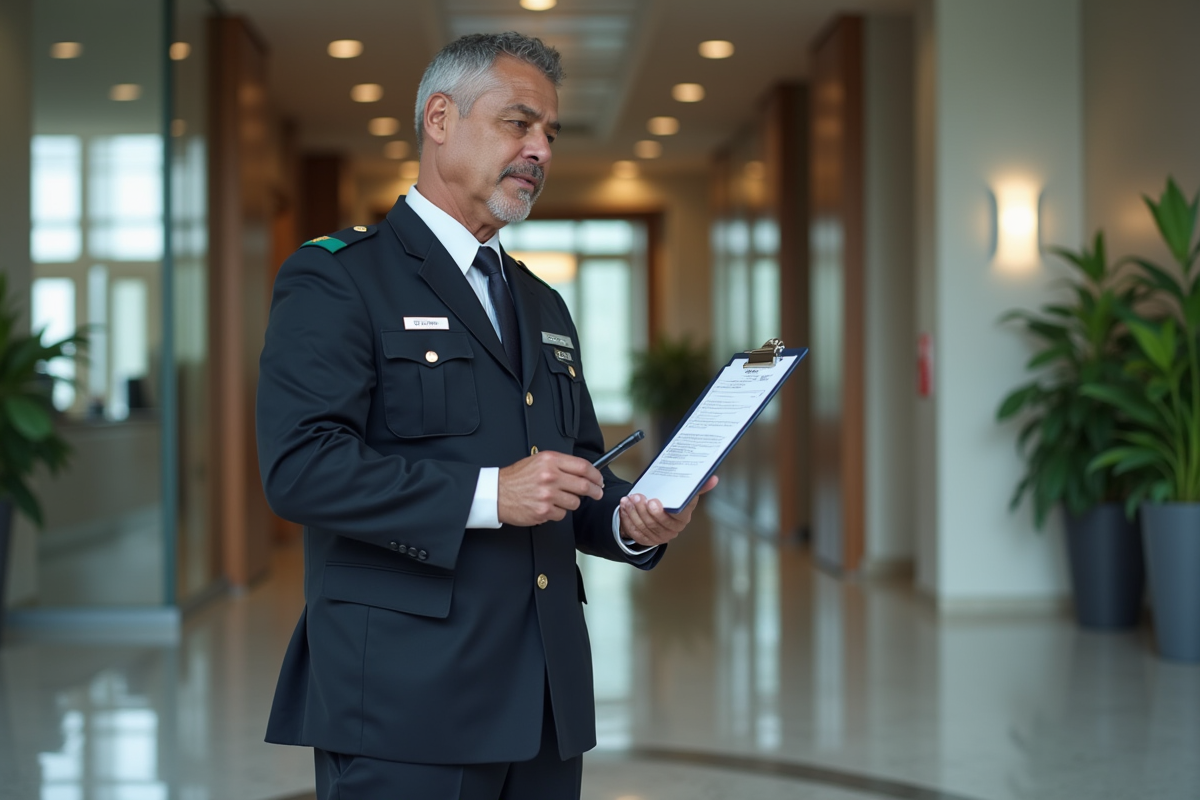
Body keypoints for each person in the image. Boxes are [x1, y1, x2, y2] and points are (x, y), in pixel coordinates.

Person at [257, 31, 716, 800]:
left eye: (550, 133)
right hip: (407, 701)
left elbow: (572, 473)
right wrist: (487, 494)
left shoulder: (541, 301)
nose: (539, 148)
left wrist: (632, 524)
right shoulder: (339, 278)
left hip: (543, 700)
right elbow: (300, 469)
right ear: (439, 118)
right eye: (517, 122)